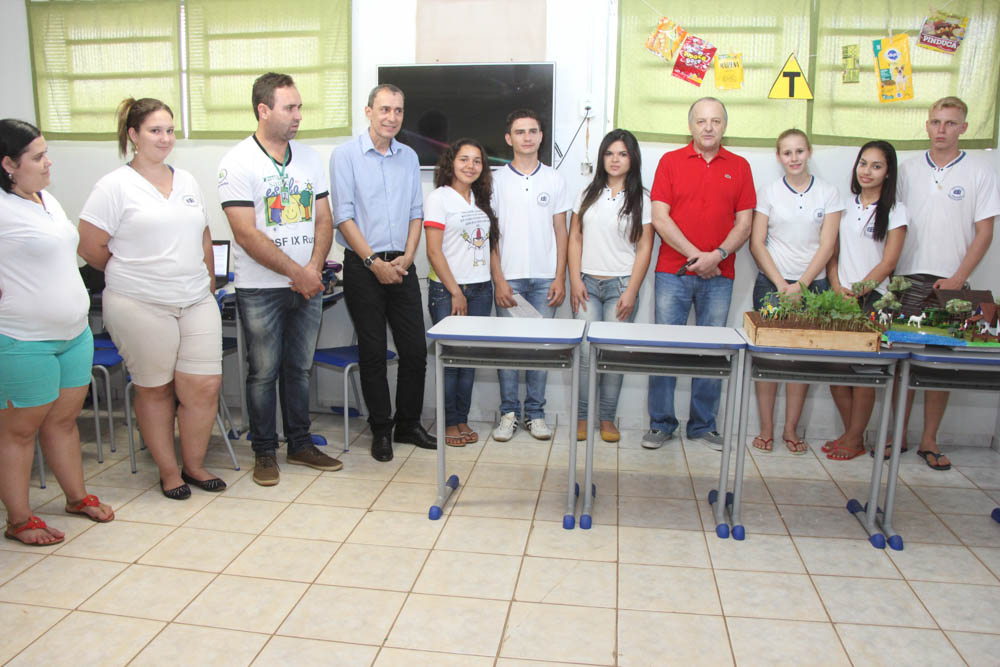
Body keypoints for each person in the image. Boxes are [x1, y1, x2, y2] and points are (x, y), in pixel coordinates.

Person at [78, 98, 226, 499]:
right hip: (139, 303)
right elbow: (90, 246)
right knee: (155, 388)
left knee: (204, 385)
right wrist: (133, 271)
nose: (165, 138)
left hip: (194, 298)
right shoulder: (114, 186)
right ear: (134, 135)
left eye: (170, 130)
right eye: (155, 130)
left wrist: (208, 282)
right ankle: (169, 472)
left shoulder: (187, 181)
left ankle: (194, 465)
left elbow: (203, 235)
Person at [218, 72, 341, 485]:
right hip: (261, 288)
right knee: (263, 372)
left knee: (299, 369)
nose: (298, 115)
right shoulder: (237, 161)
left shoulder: (309, 158)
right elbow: (245, 233)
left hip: (308, 283)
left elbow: (323, 219)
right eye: (290, 107)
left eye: (299, 107)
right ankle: (265, 452)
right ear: (263, 110)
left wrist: (314, 269)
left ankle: (301, 445)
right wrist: (297, 273)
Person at [0, 119, 114, 545]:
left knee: (63, 422)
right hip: (22, 339)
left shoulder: (44, 199)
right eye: (37, 156)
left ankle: (76, 497)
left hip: (73, 335)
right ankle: (19, 519)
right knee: (18, 432)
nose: (49, 162)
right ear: (8, 164)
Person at [644, 97, 755, 451]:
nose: (708, 127)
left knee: (712, 351)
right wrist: (698, 257)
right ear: (690, 125)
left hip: (720, 274)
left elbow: (745, 223)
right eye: (702, 121)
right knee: (665, 349)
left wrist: (717, 255)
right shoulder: (670, 162)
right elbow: (660, 218)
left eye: (716, 121)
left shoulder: (740, 166)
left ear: (725, 126)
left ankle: (703, 425)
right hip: (672, 272)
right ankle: (661, 424)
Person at [894, 97, 999, 471]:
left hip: (952, 281)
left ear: (963, 128)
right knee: (902, 359)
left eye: (951, 123)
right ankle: (896, 435)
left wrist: (957, 279)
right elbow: (892, 226)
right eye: (936, 121)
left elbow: (984, 233)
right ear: (927, 125)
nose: (942, 129)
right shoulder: (906, 170)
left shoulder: (980, 171)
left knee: (940, 365)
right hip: (905, 278)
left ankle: (929, 440)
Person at [330, 83, 433, 462]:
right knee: (372, 353)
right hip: (363, 266)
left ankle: (408, 425)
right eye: (385, 109)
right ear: (369, 111)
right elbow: (343, 216)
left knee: (415, 351)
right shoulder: (345, 156)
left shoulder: (409, 156)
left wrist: (408, 256)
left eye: (398, 110)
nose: (392, 117)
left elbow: (416, 212)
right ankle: (381, 429)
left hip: (402, 264)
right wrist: (374, 262)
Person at [748, 129, 842, 455]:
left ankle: (790, 429)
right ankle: (766, 430)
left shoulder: (829, 193)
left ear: (809, 152)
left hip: (813, 287)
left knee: (799, 361)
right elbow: (757, 243)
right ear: (778, 157)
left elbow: (828, 245)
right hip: (772, 285)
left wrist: (802, 285)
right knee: (768, 358)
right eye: (787, 153)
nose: (794, 158)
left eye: (799, 151)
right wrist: (781, 285)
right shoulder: (769, 192)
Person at [491, 109, 572, 442]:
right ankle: (509, 414)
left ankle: (536, 414)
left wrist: (560, 277)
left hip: (544, 280)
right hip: (509, 279)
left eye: (533, 131)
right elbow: (491, 235)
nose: (527, 137)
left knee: (540, 349)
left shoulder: (555, 179)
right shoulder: (495, 180)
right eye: (520, 132)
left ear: (541, 136)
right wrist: (499, 279)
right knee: (509, 350)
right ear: (508, 138)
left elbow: (562, 231)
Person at [568, 129, 653, 443]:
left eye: (622, 154)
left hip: (621, 286)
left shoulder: (642, 198)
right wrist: (574, 279)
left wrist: (631, 290)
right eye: (609, 153)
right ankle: (582, 417)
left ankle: (606, 418)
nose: (615, 160)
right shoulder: (586, 194)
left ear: (632, 159)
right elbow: (575, 238)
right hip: (587, 285)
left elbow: (644, 247)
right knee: (585, 354)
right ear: (602, 158)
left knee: (613, 355)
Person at [825, 140, 907, 461]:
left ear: (888, 173)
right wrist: (837, 287)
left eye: (876, 166)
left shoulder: (896, 211)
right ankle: (853, 436)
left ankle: (853, 437)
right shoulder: (843, 206)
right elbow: (832, 255)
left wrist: (859, 291)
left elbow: (889, 262)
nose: (867, 171)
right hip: (840, 298)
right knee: (835, 373)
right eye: (863, 163)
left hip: (874, 300)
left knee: (863, 375)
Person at [424, 139, 499, 446]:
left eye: (477, 161)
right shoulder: (439, 198)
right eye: (464, 159)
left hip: (481, 289)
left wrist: (497, 281)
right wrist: (456, 292)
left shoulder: (482, 199)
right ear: (451, 163)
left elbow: (490, 245)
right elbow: (433, 251)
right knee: (450, 361)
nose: (470, 166)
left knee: (468, 361)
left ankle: (461, 419)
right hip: (448, 291)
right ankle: (447, 422)